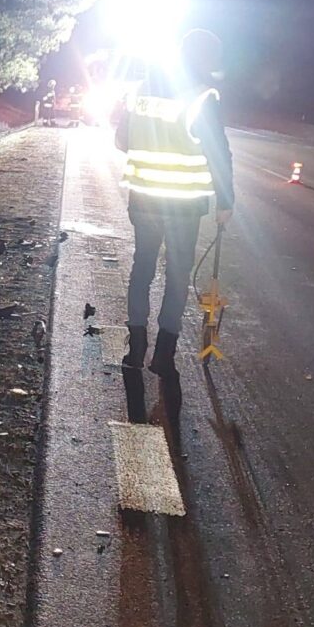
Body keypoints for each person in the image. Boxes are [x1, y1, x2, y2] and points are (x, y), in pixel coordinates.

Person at [116, 29, 234, 378]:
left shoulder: (141, 90)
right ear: (206, 58)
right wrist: (225, 202)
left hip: (144, 198)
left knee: (142, 269)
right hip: (182, 205)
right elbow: (218, 153)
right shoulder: (201, 96)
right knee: (178, 274)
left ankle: (135, 346)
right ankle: (164, 354)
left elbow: (122, 140)